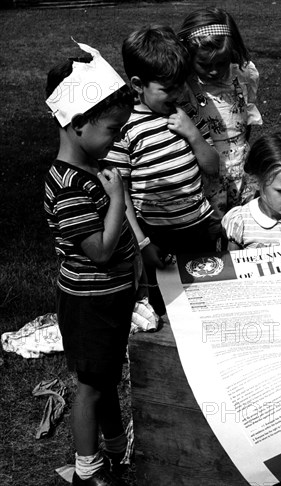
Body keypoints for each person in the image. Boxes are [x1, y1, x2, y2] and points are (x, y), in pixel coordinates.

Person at [44, 42, 138, 485]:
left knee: (105, 376)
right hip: (90, 303)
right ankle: (88, 469)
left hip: (109, 299)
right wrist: (118, 198)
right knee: (91, 386)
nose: (118, 139)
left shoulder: (88, 169)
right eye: (112, 130)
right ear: (77, 123)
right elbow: (99, 250)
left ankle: (118, 450)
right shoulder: (67, 186)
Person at [104, 25, 219, 318]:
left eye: (181, 84)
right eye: (167, 88)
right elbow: (122, 193)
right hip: (158, 235)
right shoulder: (125, 127)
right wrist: (143, 243)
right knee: (165, 309)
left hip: (199, 224)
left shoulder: (185, 114)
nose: (178, 93)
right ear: (138, 84)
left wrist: (193, 134)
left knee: (212, 299)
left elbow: (212, 167)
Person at [178, 6, 263, 221]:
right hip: (206, 175)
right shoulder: (185, 86)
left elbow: (246, 118)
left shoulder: (244, 75)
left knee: (243, 225)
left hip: (242, 170)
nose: (214, 70)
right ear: (189, 54)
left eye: (221, 63)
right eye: (205, 64)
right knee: (211, 228)